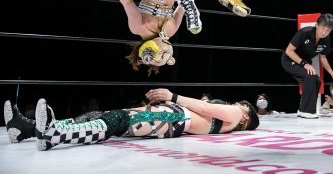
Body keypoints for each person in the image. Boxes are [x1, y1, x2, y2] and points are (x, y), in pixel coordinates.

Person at [99, 0, 251, 74]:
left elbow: (127, 2)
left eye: (162, 55)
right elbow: (180, 10)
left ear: (149, 48)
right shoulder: (169, 32)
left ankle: (188, 4)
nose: (167, 53)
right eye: (167, 57)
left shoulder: (138, 28)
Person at [3, 88, 259, 150]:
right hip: (172, 117)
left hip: (174, 117)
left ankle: (53, 136)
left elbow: (207, 108)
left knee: (119, 119)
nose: (239, 104)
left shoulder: (236, 115)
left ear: (246, 117)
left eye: (244, 105)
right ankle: (26, 129)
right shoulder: (230, 117)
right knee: (103, 117)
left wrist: (173, 96)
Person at [281, 13, 333, 119]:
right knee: (310, 76)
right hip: (289, 60)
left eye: (328, 30)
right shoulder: (304, 32)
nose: (324, 32)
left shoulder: (326, 40)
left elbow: (323, 58)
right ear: (317, 25)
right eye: (323, 28)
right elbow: (289, 51)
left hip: (304, 63)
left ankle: (302, 109)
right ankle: (307, 111)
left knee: (317, 81)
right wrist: (304, 64)